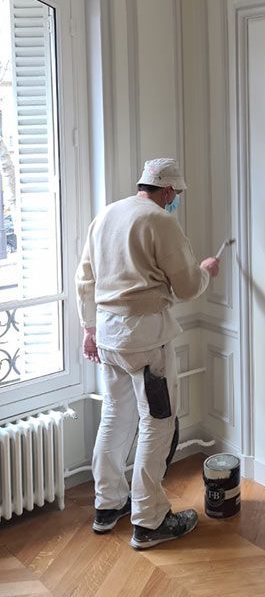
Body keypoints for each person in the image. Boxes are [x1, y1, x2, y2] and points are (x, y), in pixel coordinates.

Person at [75, 158, 220, 550]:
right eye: (177, 194)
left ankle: (108, 506)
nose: (176, 200)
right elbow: (187, 286)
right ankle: (149, 520)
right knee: (158, 423)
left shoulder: (106, 215)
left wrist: (89, 329)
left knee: (115, 416)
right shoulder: (160, 221)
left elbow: (84, 279)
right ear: (167, 190)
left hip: (108, 336)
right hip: (145, 340)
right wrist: (206, 271)